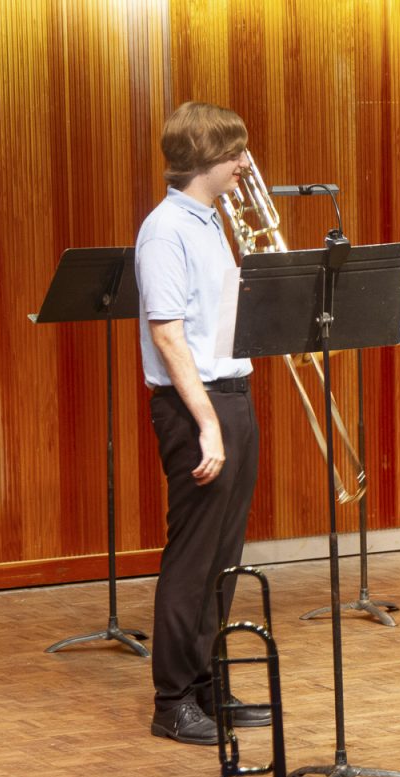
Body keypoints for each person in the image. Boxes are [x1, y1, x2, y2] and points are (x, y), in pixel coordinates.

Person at [136, 101, 270, 743]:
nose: (246, 164)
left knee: (224, 554)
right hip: (196, 406)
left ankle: (207, 683)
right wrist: (209, 424)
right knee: (194, 556)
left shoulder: (210, 221)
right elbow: (167, 336)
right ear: (205, 158)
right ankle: (173, 700)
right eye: (237, 152)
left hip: (231, 393)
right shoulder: (166, 229)